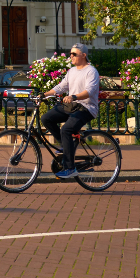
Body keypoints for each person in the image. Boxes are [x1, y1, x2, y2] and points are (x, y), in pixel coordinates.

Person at [40, 43, 101, 179]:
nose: (71, 56)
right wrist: (44, 94)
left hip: (86, 108)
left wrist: (74, 96)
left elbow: (89, 92)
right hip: (72, 106)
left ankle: (70, 168)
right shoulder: (72, 71)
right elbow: (61, 86)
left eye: (74, 54)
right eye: (70, 54)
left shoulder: (91, 71)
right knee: (46, 118)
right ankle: (65, 145)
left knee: (66, 130)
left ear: (84, 55)